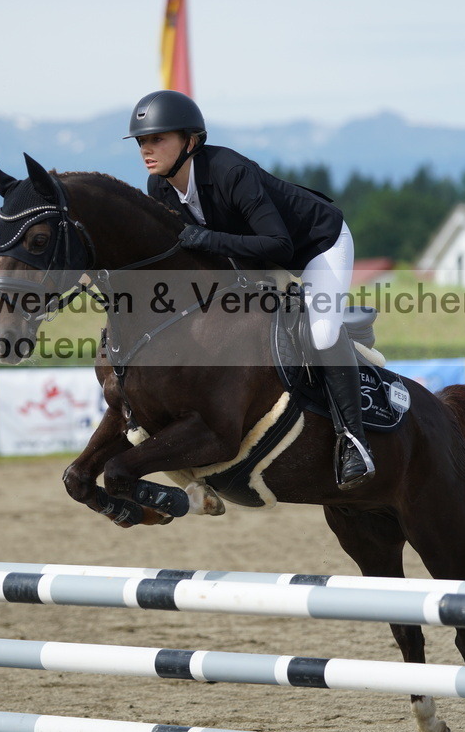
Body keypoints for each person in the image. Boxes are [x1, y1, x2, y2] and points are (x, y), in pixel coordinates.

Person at [125, 88, 375, 490]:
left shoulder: (229, 171)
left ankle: (354, 442)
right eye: (142, 141)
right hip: (253, 264)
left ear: (190, 141)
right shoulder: (160, 190)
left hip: (316, 245)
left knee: (323, 329)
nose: (146, 149)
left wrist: (207, 240)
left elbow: (280, 245)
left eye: (157, 139)